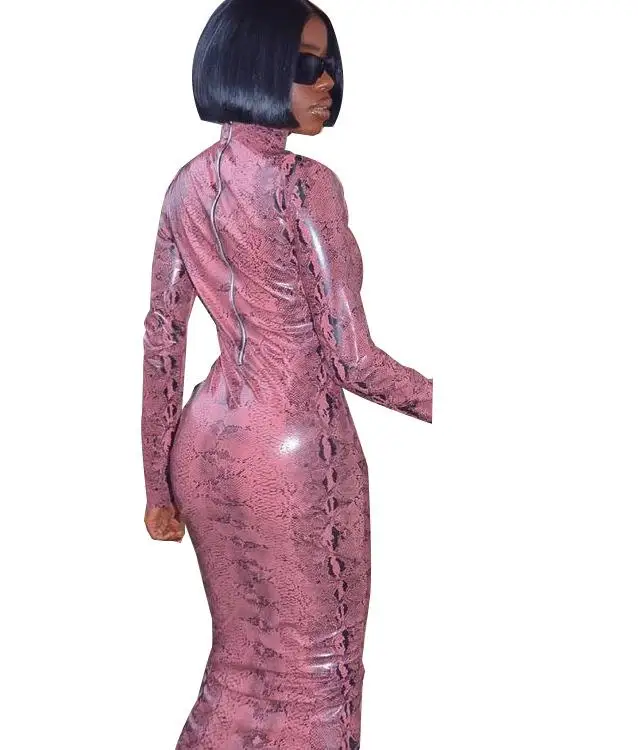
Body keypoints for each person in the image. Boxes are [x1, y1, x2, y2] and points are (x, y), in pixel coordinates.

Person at [142, 0, 433, 746]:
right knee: (319, 677)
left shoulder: (184, 187)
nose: (327, 81)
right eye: (307, 64)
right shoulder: (306, 186)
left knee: (238, 670)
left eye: (328, 62)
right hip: (297, 451)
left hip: (204, 447)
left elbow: (162, 341)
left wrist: (156, 486)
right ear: (253, 64)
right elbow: (353, 359)